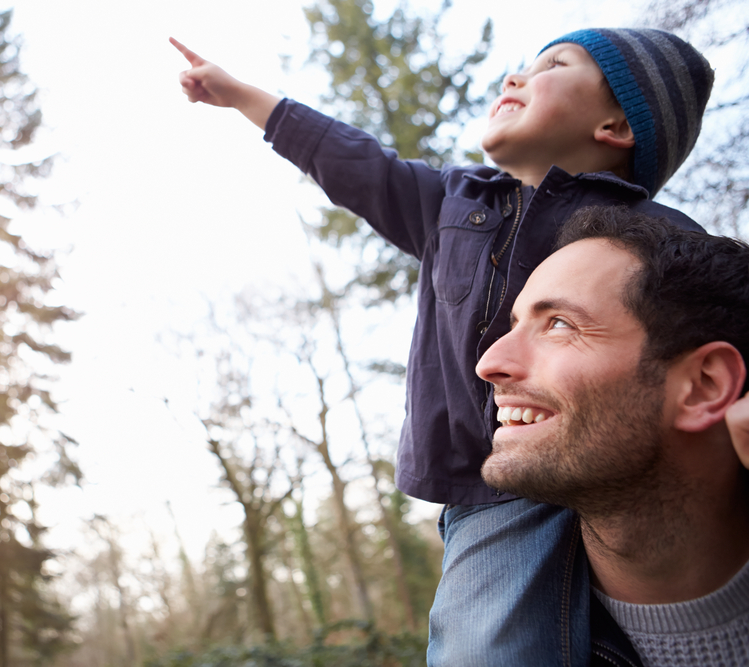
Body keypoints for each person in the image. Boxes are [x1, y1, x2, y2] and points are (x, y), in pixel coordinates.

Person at [172, 29, 713, 665]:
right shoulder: (451, 206)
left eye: (553, 66)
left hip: (621, 466)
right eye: (519, 67)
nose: (514, 78)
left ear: (617, 123)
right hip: (498, 489)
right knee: (483, 648)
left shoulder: (658, 234)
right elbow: (357, 165)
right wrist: (241, 96)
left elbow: (718, 329)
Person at [476, 205, 749, 667]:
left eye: (559, 324)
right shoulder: (492, 637)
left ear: (704, 386)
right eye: (513, 325)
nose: (488, 364)